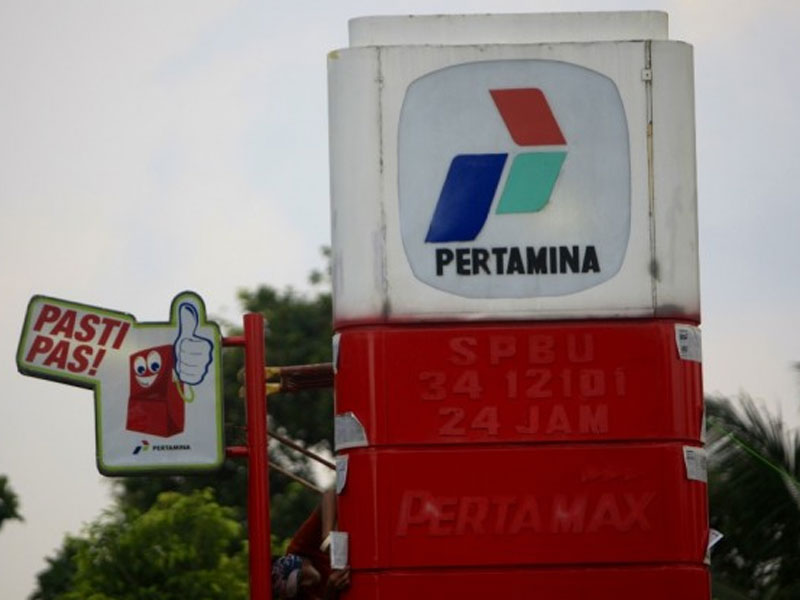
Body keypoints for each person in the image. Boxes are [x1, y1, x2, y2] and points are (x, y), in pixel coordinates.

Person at [272, 488, 350, 599]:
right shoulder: (301, 595)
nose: (306, 584)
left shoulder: (299, 547)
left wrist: (327, 537)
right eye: (297, 588)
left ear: (300, 561)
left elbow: (330, 495)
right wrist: (330, 591)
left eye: (300, 578)